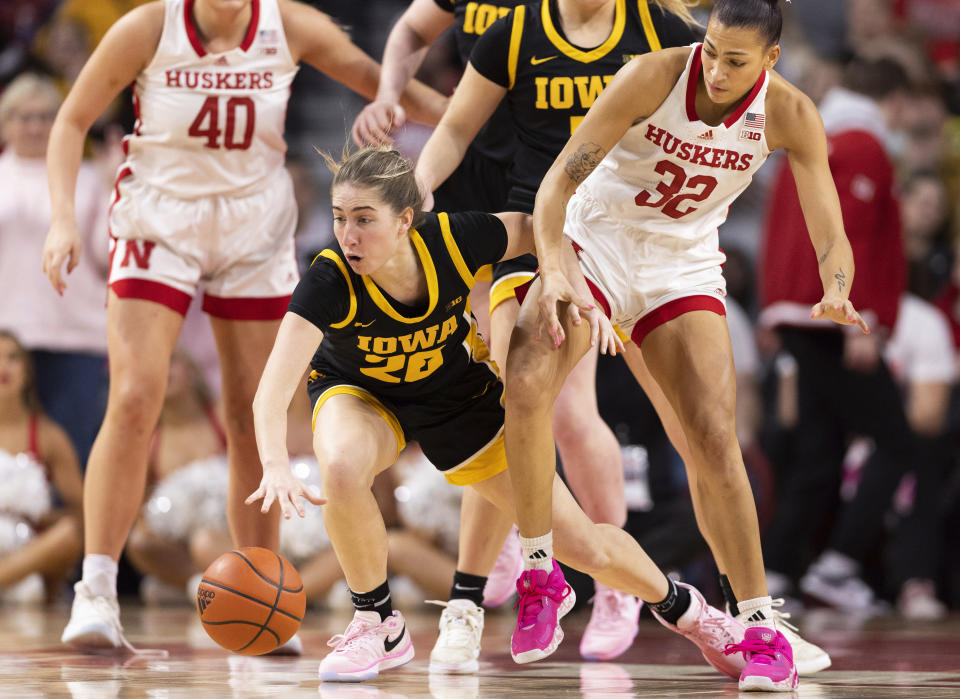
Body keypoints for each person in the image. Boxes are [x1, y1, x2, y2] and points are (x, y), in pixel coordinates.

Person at [246, 145, 748, 684]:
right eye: (341, 218)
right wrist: (275, 463)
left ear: (406, 221)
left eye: (364, 220)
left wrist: (571, 282)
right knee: (341, 466)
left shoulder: (456, 239)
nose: (348, 235)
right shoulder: (329, 278)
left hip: (457, 397)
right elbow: (271, 392)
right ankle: (376, 622)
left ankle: (691, 613)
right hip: (361, 393)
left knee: (582, 546)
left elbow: (540, 226)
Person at [40, 0, 448, 652]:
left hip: (253, 223)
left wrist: (475, 114)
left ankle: (262, 591)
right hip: (160, 215)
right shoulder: (150, 26)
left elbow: (384, 83)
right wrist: (63, 217)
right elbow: (72, 120)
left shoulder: (289, 24)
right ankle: (96, 590)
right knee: (136, 394)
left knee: (252, 413)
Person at [504, 0, 877, 690]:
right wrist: (556, 269)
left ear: (769, 61)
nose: (715, 67)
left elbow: (831, 230)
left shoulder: (790, 113)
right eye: (710, 49)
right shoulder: (652, 75)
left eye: (735, 59)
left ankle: (762, 624)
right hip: (600, 238)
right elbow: (557, 183)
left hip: (681, 260)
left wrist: (837, 286)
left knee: (712, 437)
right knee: (525, 374)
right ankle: (537, 571)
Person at [377, 0, 699, 663]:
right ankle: (512, 555)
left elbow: (715, 90)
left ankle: (618, 582)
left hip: (606, 223)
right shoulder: (511, 32)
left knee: (575, 413)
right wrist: (410, 160)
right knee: (504, 394)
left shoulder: (654, 28)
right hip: (517, 212)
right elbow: (446, 106)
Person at [0, 72, 109, 468]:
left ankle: (76, 530)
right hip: (7, 335)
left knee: (76, 451)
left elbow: (105, 256)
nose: (35, 126)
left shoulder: (92, 178)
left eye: (46, 117)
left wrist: (120, 191)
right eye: (23, 117)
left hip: (76, 334)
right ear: (5, 121)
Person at [0, 330, 84, 603]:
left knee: (71, 532)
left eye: (12, 358)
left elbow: (81, 513)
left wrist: (36, 515)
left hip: (28, 551)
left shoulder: (48, 436)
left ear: (27, 371)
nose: (3, 367)